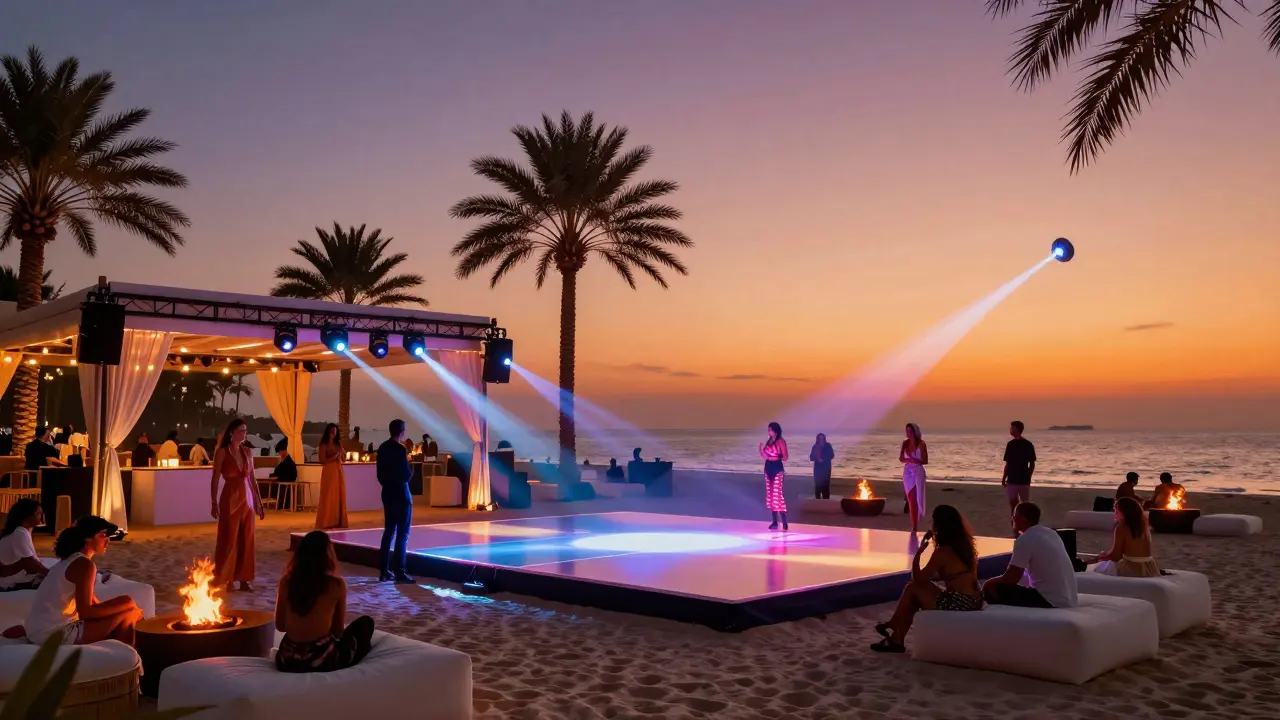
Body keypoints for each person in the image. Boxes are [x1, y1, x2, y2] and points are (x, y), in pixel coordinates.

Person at [871, 505, 983, 653]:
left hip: (959, 602)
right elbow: (947, 575)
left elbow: (918, 579)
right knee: (916, 591)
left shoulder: (942, 552)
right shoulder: (966, 547)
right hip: (975, 599)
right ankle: (896, 638)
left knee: (913, 588)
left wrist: (918, 553)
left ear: (938, 525)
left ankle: (894, 626)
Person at [24, 516, 143, 645]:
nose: (108, 540)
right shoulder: (83, 565)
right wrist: (127, 603)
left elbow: (94, 603)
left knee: (128, 611)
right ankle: (125, 657)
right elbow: (86, 612)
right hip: (50, 633)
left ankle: (123, 654)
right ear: (87, 537)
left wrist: (126, 606)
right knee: (128, 612)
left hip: (38, 630)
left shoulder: (71, 561)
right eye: (103, 535)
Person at [275, 531, 375, 673]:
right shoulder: (336, 585)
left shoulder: (286, 582)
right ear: (328, 554)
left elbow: (280, 626)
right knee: (365, 623)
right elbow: (338, 630)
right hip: (321, 659)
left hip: (288, 660)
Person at [982, 502, 1078, 608]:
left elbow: (1011, 578)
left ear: (1022, 519)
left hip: (1049, 600)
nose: (1012, 519)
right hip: (1068, 599)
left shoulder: (1026, 538)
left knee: (993, 588)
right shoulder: (1051, 533)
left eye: (1014, 516)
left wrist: (987, 583)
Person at [210, 418, 266, 592]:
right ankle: (227, 578)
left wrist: (259, 501)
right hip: (230, 497)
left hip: (247, 498)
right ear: (232, 432)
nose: (245, 434)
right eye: (242, 430)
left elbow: (252, 478)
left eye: (245, 431)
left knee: (246, 538)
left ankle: (244, 578)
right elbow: (215, 478)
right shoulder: (222, 452)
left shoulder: (248, 451)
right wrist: (213, 501)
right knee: (229, 538)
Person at [377, 419, 414, 583]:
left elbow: (380, 474)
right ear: (401, 432)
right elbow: (404, 475)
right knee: (402, 534)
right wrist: (411, 467)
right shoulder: (400, 450)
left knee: (389, 532)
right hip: (401, 494)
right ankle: (400, 571)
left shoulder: (383, 448)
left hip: (387, 493)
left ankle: (384, 570)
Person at [1087, 496, 1160, 577]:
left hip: (1133, 568)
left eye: (1116, 511)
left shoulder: (1122, 528)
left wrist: (1099, 558)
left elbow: (1116, 556)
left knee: (1100, 567)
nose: (1114, 514)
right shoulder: (1143, 525)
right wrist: (1105, 555)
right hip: (1150, 567)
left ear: (1125, 513)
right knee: (1104, 560)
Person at [0, 499, 48, 591]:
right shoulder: (19, 532)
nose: (41, 517)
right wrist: (51, 574)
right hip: (9, 584)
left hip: (12, 580)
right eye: (38, 514)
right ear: (28, 516)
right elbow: (30, 562)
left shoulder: (20, 531)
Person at [1001, 421, 1036, 528]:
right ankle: (1015, 525)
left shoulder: (1028, 444)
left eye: (1012, 428)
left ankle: (1027, 525)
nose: (1010, 430)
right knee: (1013, 504)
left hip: (1023, 480)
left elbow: (1032, 462)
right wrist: (1004, 478)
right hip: (1012, 479)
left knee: (1025, 505)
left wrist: (1028, 475)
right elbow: (1008, 463)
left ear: (1016, 429)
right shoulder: (1010, 445)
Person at [315, 423, 349, 530]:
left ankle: (338, 521)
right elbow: (322, 460)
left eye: (335, 431)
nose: (334, 433)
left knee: (339, 495)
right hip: (328, 471)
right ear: (328, 432)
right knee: (328, 496)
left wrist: (342, 453)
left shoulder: (338, 444)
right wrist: (334, 457)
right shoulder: (324, 444)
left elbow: (343, 458)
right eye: (332, 431)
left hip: (338, 471)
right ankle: (326, 521)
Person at [758, 422, 789, 531]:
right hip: (768, 468)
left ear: (775, 430)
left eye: (770, 429)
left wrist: (774, 457)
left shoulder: (780, 441)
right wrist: (761, 450)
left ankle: (784, 521)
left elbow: (785, 457)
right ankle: (775, 522)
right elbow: (765, 457)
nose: (768, 431)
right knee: (771, 496)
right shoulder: (769, 441)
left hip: (777, 469)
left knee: (777, 495)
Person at [899, 424, 928, 532]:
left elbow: (925, 460)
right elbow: (901, 458)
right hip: (907, 471)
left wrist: (915, 460)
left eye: (910, 431)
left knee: (917, 498)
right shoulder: (905, 443)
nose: (908, 434)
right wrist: (908, 460)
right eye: (906, 431)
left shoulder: (921, 444)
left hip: (917, 470)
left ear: (915, 432)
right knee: (910, 498)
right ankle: (914, 525)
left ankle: (915, 526)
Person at [809, 433, 835, 500]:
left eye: (822, 438)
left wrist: (823, 459)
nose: (821, 440)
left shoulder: (828, 446)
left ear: (824, 439)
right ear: (817, 439)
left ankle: (826, 500)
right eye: (819, 438)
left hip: (826, 468)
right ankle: (818, 500)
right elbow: (811, 458)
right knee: (818, 485)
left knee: (826, 485)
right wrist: (817, 458)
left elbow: (832, 455)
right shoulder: (815, 446)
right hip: (818, 468)